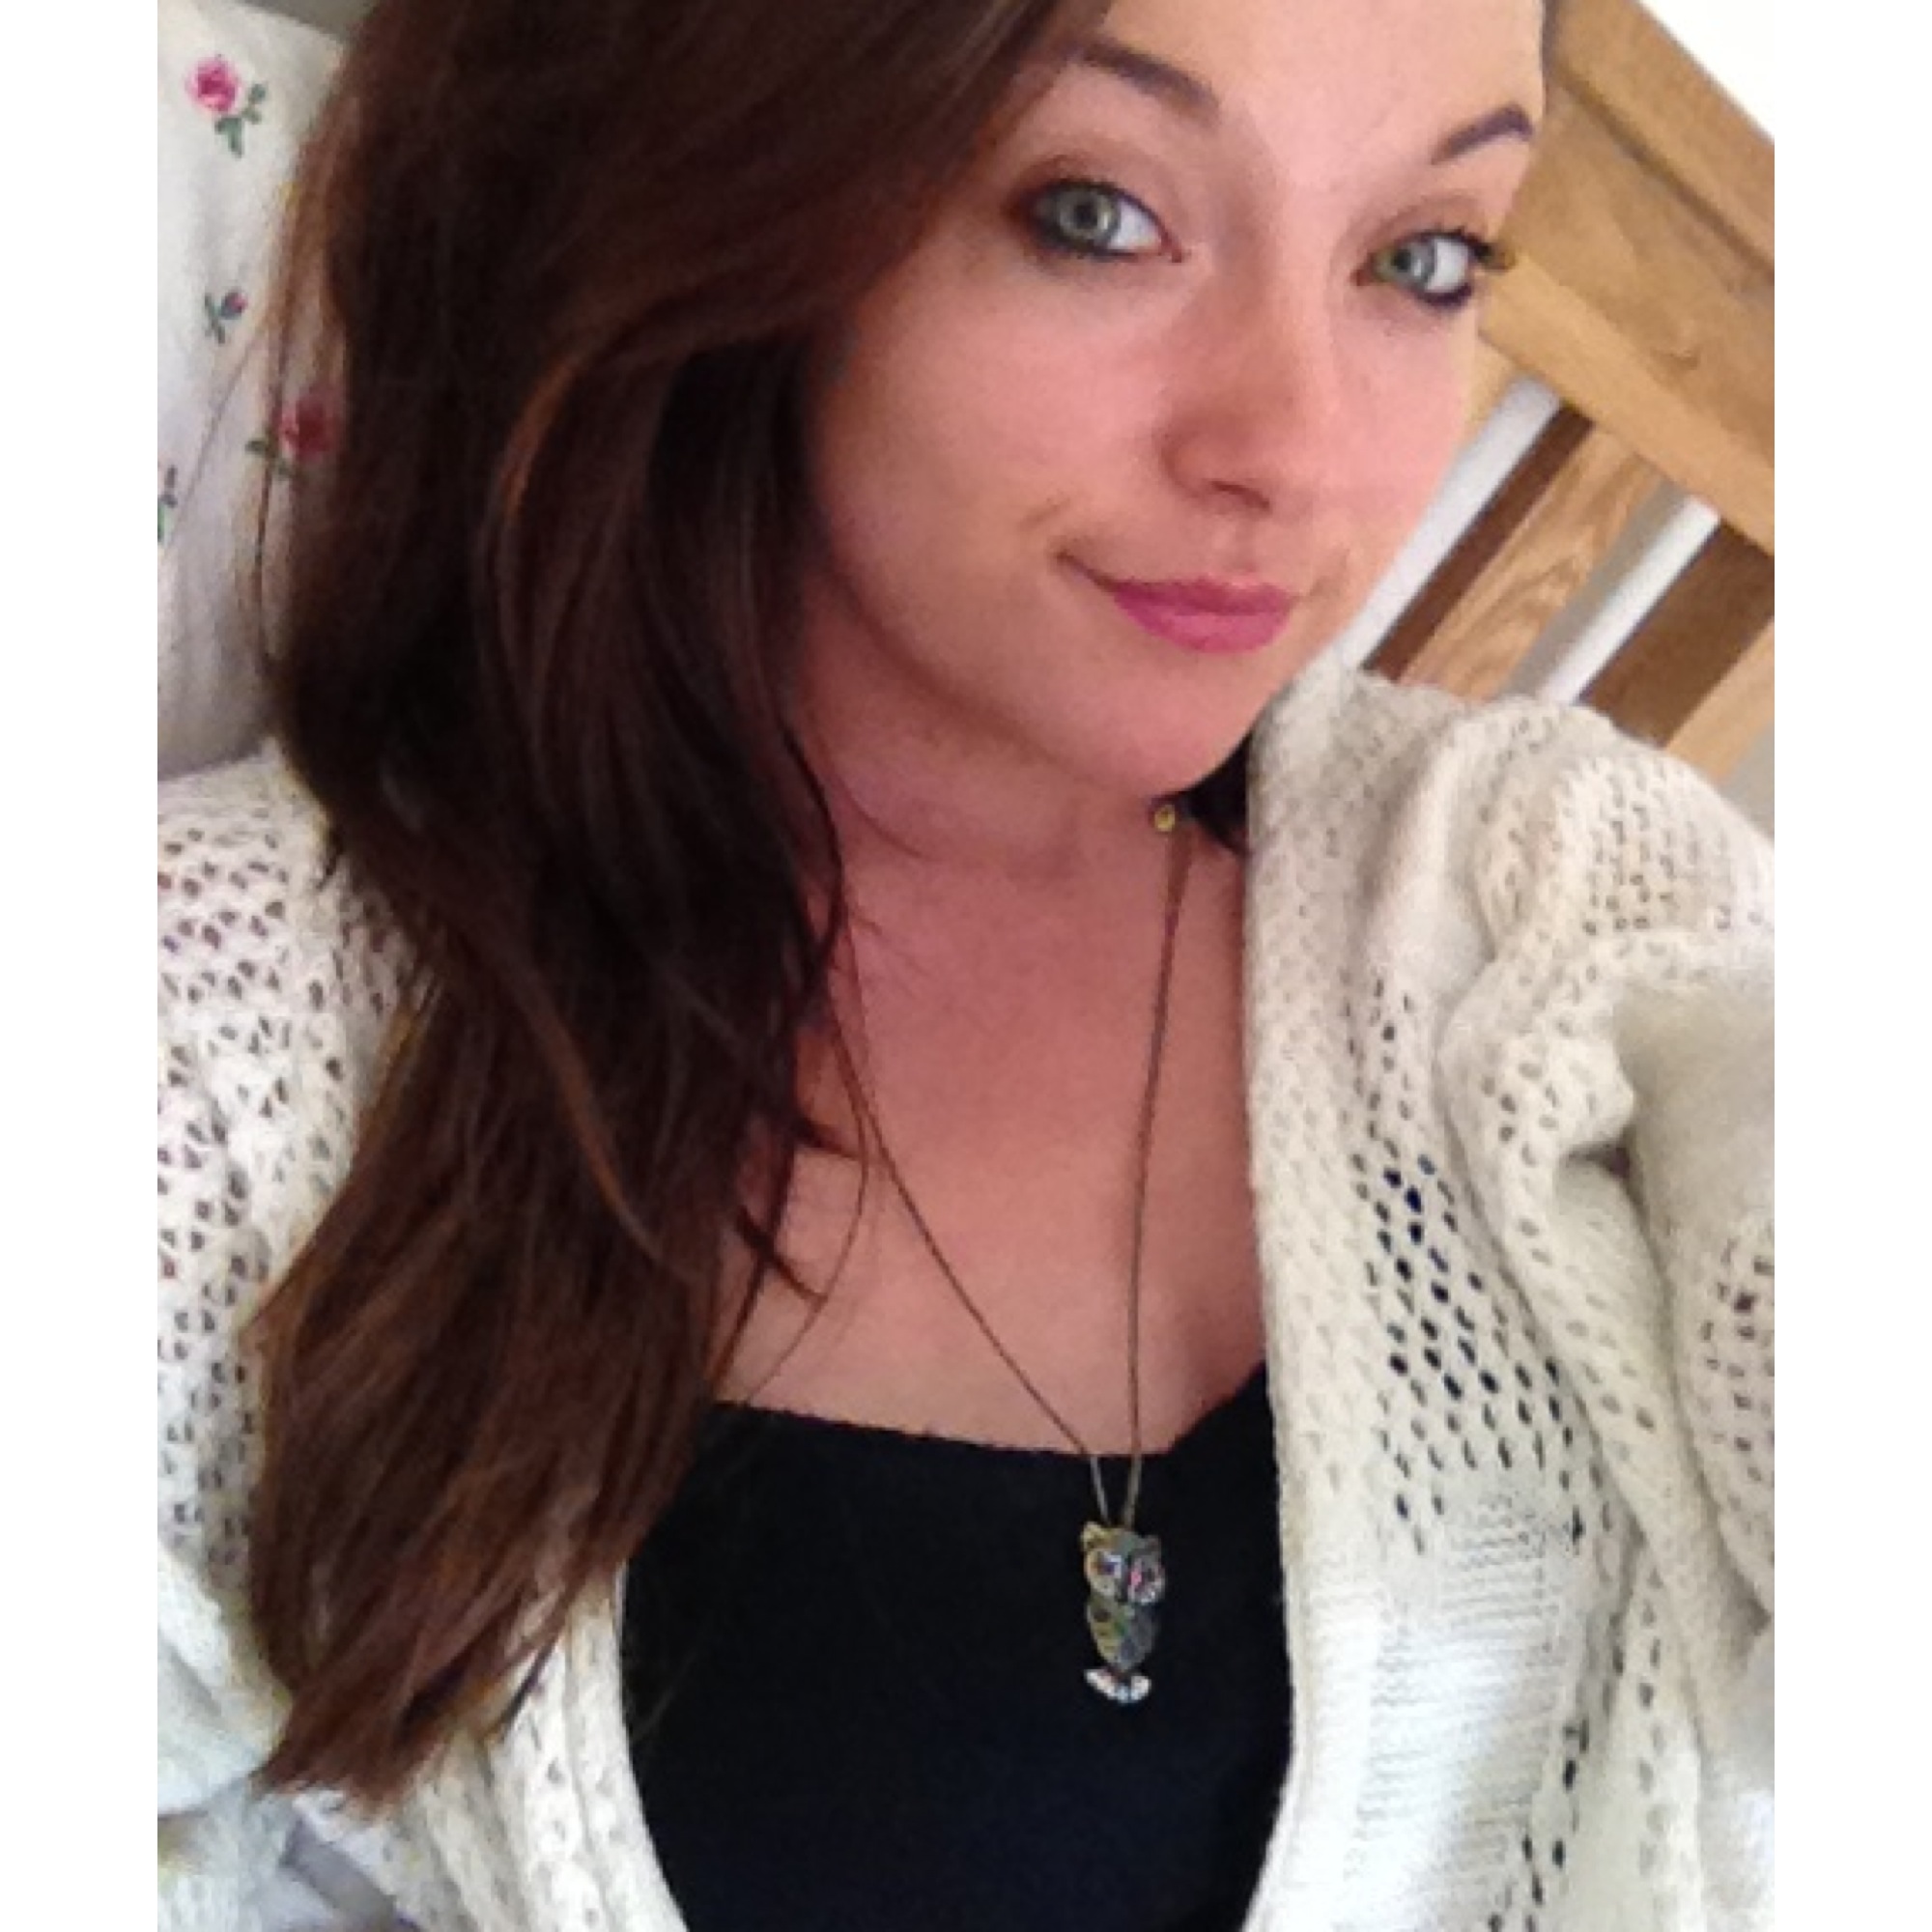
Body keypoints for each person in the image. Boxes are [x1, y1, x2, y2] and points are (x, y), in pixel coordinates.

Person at [156, 0, 1774, 1925]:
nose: (1296, 452)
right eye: (1095, 214)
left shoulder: (1559, 887)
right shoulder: (229, 1026)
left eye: (1422, 259)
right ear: (727, 186)